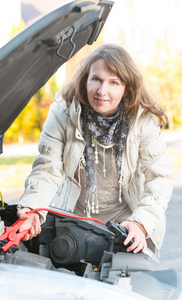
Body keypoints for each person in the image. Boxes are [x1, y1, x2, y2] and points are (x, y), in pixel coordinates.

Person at [17, 44, 173, 254]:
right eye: (97, 79)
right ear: (85, 79)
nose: (102, 91)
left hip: (129, 220)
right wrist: (32, 209)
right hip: (76, 218)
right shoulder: (62, 113)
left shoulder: (142, 119)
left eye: (113, 82)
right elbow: (47, 169)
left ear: (126, 87)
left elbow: (160, 178)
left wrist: (141, 223)